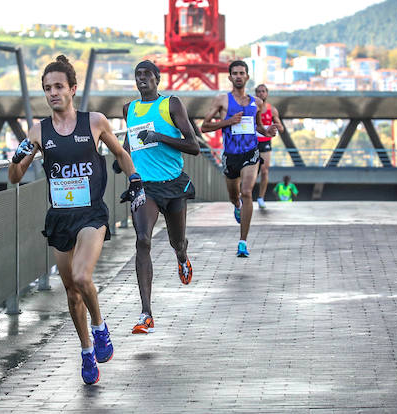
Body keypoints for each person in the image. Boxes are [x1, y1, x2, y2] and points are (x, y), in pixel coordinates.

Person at [8, 55, 146, 384]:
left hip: (91, 214)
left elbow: (121, 154)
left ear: (72, 89)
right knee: (71, 293)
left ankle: (100, 329)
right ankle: (86, 350)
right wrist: (17, 156)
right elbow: (15, 176)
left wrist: (135, 180)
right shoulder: (39, 130)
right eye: (46, 89)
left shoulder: (94, 122)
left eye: (58, 87)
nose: (52, 93)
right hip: (59, 218)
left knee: (83, 277)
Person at [118, 60, 199, 334]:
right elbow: (129, 144)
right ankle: (146, 314)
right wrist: (121, 159)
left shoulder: (171, 105)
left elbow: (193, 146)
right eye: (137, 75)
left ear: (157, 79)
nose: (142, 79)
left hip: (173, 184)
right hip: (145, 188)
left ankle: (182, 256)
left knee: (178, 241)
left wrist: (159, 136)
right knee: (142, 241)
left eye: (147, 75)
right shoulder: (129, 109)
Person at [200, 60, 284, 257]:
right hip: (230, 155)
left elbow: (258, 127)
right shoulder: (222, 100)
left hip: (250, 153)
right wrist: (228, 121)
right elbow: (204, 126)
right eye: (235, 73)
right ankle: (236, 206)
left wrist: (268, 130)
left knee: (247, 192)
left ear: (247, 77)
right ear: (230, 77)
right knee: (234, 196)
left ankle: (242, 242)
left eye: (242, 73)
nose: (238, 76)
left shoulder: (257, 103)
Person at [253, 84, 280, 209]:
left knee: (264, 171)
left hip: (266, 142)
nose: (261, 94)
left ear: (267, 93)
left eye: (263, 91)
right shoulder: (251, 108)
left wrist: (278, 126)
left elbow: (278, 124)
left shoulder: (272, 109)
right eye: (258, 91)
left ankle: (261, 197)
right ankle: (246, 195)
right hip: (253, 142)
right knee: (252, 171)